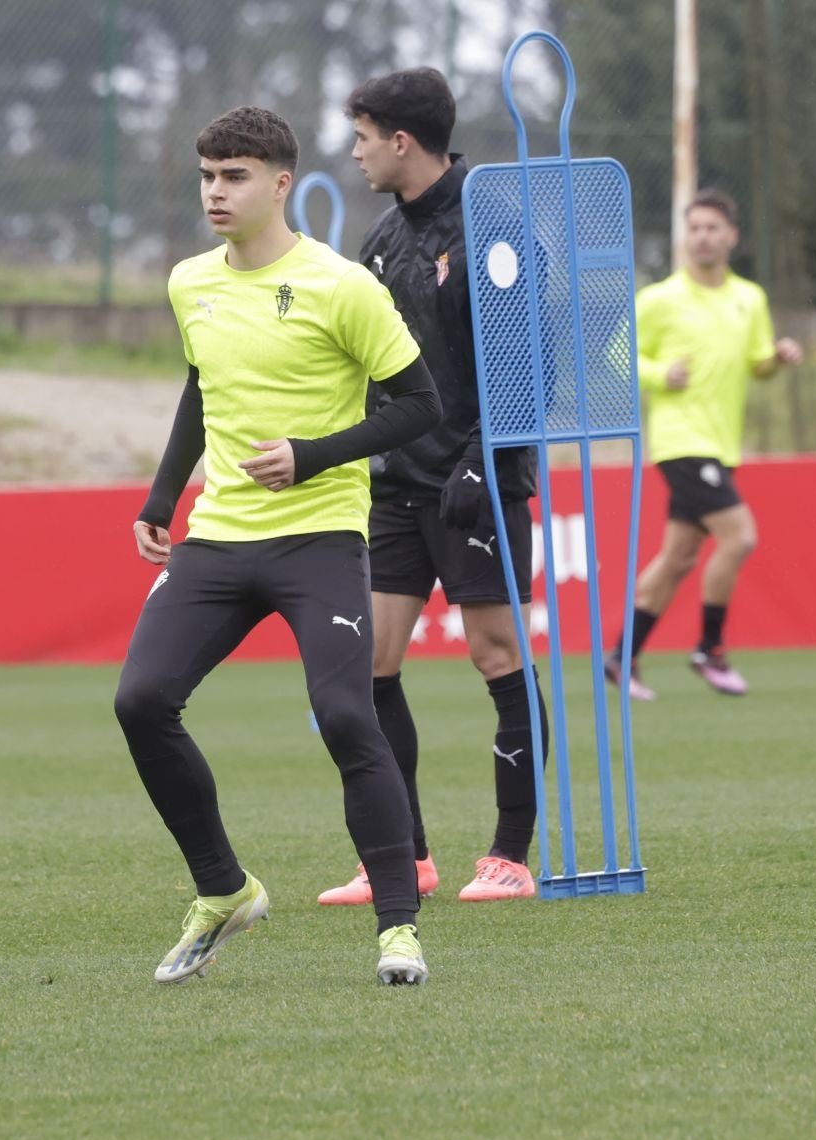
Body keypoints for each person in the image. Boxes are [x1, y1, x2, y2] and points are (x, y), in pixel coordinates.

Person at [115, 106, 444, 986]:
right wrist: (162, 495)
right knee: (141, 701)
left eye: (235, 177)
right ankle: (224, 891)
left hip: (322, 539)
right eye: (207, 177)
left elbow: (421, 405)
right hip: (220, 539)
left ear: (280, 183)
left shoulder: (343, 286)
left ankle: (398, 930)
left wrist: (313, 457)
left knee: (346, 716)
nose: (216, 193)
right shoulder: (191, 282)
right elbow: (202, 387)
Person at [315, 67, 547, 907]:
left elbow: (531, 366)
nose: (356, 152)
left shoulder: (494, 229)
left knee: (494, 653)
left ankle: (510, 858)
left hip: (478, 482)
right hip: (398, 486)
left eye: (365, 137)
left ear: (402, 141)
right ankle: (404, 860)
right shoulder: (380, 240)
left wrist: (483, 463)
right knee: (370, 664)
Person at [607, 189, 803, 699]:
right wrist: (657, 373)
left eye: (712, 228)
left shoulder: (749, 299)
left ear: (731, 237)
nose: (702, 237)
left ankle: (621, 657)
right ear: (684, 237)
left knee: (677, 559)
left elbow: (757, 365)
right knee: (739, 537)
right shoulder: (659, 300)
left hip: (720, 446)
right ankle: (710, 649)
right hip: (680, 443)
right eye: (694, 228)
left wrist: (776, 359)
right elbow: (615, 358)